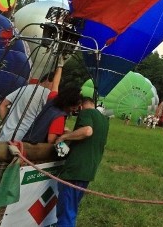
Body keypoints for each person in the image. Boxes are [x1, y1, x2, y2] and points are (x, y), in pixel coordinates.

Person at [54, 97, 109, 227]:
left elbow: (87, 131)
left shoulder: (86, 113)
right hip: (88, 169)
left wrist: (64, 136)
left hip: (75, 169)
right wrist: (72, 133)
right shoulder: (104, 120)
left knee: (66, 211)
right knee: (72, 209)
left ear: (80, 106)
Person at [0, 68, 59, 141]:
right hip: (24, 138)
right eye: (55, 84)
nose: (55, 87)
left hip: (5, 134)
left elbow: (1, 105)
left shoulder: (24, 88)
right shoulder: (46, 93)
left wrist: (7, 122)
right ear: (48, 80)